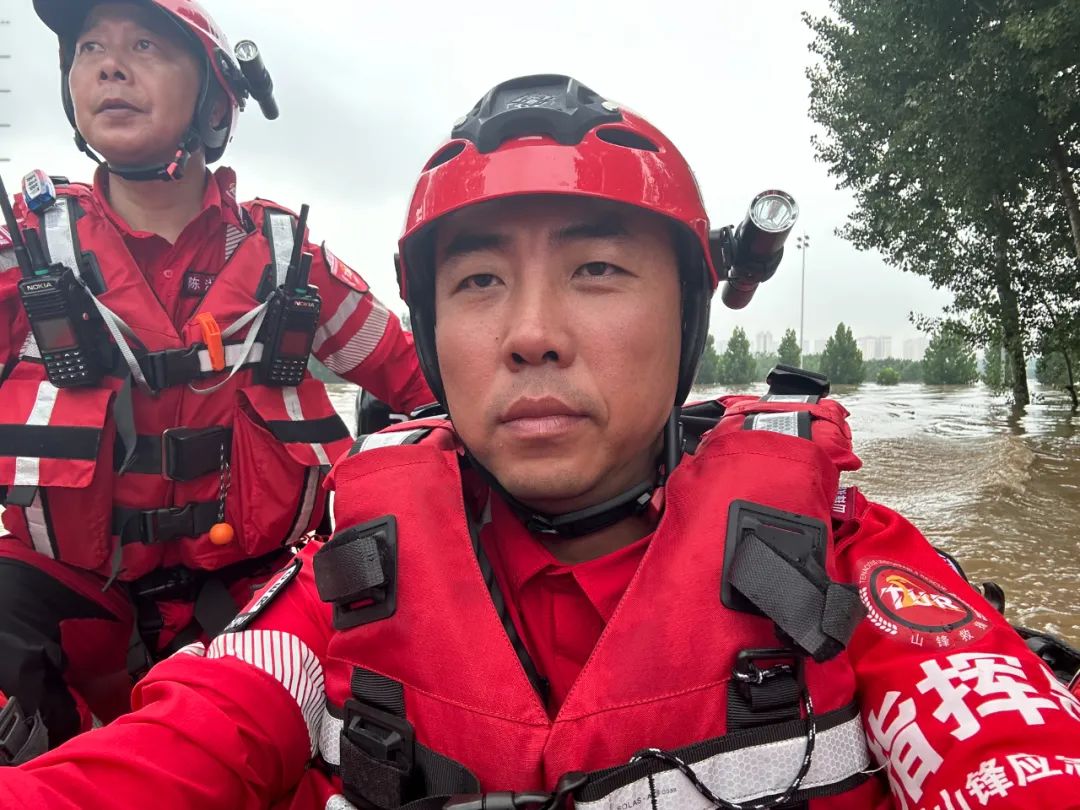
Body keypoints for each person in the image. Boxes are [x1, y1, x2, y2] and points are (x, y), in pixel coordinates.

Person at [2, 72, 1080, 810]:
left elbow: (1015, 754)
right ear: (436, 338)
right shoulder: (343, 577)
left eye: (597, 270)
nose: (530, 334)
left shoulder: (843, 553)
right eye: (478, 282)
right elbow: (171, 753)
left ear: (686, 322)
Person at [0, 0, 433, 760]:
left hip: (260, 590)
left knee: (357, 713)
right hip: (66, 595)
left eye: (144, 45)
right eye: (89, 48)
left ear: (214, 98)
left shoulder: (289, 262)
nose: (109, 65)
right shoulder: (21, 252)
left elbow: (424, 384)